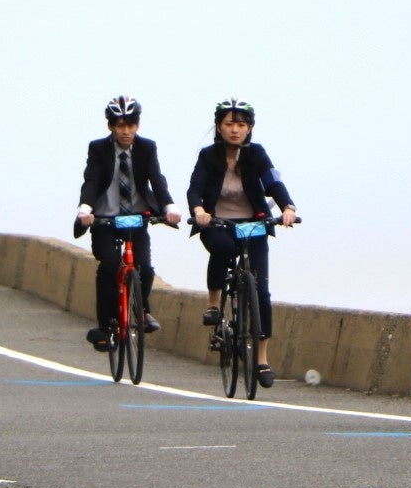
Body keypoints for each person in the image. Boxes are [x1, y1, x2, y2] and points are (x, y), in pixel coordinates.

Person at [187, 98, 297, 389]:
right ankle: (214, 303)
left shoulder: (256, 153)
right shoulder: (208, 156)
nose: (235, 130)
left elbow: (273, 182)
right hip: (218, 223)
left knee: (261, 291)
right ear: (219, 127)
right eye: (229, 124)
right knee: (222, 249)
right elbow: (195, 187)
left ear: (249, 128)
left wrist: (287, 207)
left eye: (241, 124)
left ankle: (261, 360)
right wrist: (199, 211)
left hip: (253, 225)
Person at [73, 96, 181, 352]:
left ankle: (142, 310)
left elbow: (157, 179)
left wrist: (168, 206)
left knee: (144, 268)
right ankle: (106, 325)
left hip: (136, 217)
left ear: (137, 125)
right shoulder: (98, 148)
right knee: (110, 265)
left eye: (131, 125)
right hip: (105, 219)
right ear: (111, 126)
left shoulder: (147, 147)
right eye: (120, 125)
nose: (126, 131)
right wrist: (85, 208)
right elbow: (92, 180)